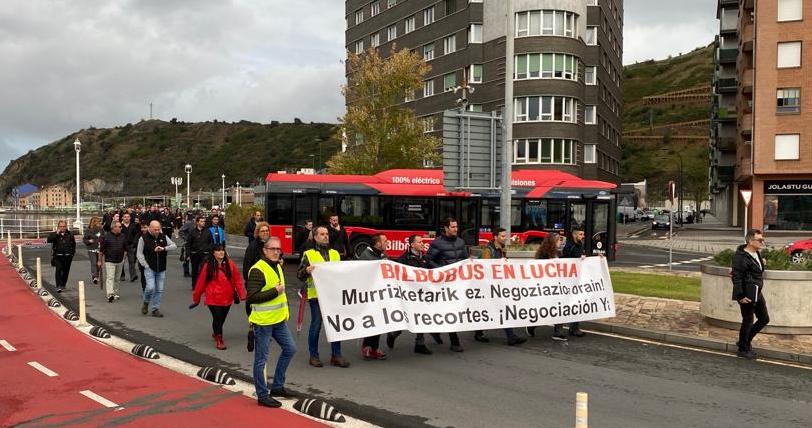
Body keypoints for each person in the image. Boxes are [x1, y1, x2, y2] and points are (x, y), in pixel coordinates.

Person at [247, 237, 297, 407]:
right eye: (273, 249)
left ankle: (277, 386)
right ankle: (262, 395)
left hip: (278, 320)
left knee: (290, 349)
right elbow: (251, 297)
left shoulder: (277, 266)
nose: (276, 252)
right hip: (263, 322)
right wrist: (274, 292)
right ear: (265, 250)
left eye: (278, 249)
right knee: (261, 360)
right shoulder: (257, 269)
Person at [298, 226, 350, 368]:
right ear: (315, 237)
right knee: (316, 325)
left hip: (333, 296)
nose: (325, 236)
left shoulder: (335, 254)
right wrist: (306, 270)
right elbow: (300, 275)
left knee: (336, 325)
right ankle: (313, 356)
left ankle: (336, 355)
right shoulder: (308, 254)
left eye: (326, 234)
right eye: (322, 234)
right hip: (317, 297)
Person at [191, 244, 247, 350]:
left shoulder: (230, 264)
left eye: (222, 250)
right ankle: (219, 339)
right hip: (213, 298)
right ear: (213, 253)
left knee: (221, 319)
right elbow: (201, 283)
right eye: (218, 250)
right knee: (217, 317)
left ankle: (216, 332)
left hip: (227, 298)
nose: (221, 252)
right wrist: (196, 298)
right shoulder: (208, 266)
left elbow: (237, 279)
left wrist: (242, 294)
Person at [478, 228, 527, 346]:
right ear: (495, 237)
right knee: (495, 308)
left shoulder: (501, 249)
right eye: (503, 236)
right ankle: (510, 336)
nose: (505, 238)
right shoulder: (487, 250)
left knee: (491, 309)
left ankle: (480, 333)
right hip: (488, 286)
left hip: (497, 285)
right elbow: (483, 267)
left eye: (505, 236)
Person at [425, 217, 468, 352]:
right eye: (453, 227)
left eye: (456, 226)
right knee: (448, 310)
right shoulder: (437, 243)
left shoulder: (461, 242)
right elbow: (428, 260)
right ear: (446, 228)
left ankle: (435, 330)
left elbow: (465, 260)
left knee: (446, 310)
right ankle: (454, 341)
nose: (456, 229)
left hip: (457, 283)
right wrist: (441, 272)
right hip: (442, 284)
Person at [388, 234, 433, 355]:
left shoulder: (425, 258)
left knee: (422, 317)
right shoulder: (404, 259)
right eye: (419, 242)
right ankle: (394, 334)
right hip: (408, 295)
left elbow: (434, 269)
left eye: (422, 242)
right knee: (406, 318)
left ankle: (420, 343)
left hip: (422, 294)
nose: (422, 244)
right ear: (412, 245)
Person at [731, 229, 769, 360]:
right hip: (747, 293)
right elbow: (736, 277)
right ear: (750, 241)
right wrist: (740, 296)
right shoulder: (740, 256)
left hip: (757, 291)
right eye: (759, 240)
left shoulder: (756, 253)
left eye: (762, 239)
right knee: (748, 320)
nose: (762, 242)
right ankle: (743, 349)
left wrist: (761, 263)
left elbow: (755, 270)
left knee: (764, 318)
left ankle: (744, 341)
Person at [137, 220, 177, 317]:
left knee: (159, 289)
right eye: (155, 229)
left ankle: (155, 309)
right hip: (149, 267)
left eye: (159, 229)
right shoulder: (143, 238)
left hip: (161, 267)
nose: (157, 231)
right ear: (149, 228)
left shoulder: (163, 236)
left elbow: (174, 246)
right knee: (150, 287)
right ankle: (146, 302)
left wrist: (164, 248)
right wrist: (145, 265)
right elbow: (139, 253)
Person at [528, 233, 563, 340]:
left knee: (560, 308)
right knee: (546, 310)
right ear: (552, 242)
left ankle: (558, 331)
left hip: (557, 285)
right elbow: (538, 269)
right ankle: (532, 325)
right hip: (546, 286)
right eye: (558, 240)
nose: (560, 242)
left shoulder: (559, 253)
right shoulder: (542, 254)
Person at [358, 234, 388, 360]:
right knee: (373, 322)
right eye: (385, 241)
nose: (387, 243)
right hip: (370, 295)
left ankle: (372, 348)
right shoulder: (366, 256)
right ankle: (368, 347)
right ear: (377, 244)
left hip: (380, 294)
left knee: (379, 321)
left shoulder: (381, 255)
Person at [243, 221, 271, 352]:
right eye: (263, 231)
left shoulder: (271, 246)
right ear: (257, 233)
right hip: (255, 283)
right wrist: (249, 283)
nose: (265, 233)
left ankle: (264, 331)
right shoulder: (253, 247)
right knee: (255, 309)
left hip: (269, 284)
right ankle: (255, 332)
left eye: (267, 231)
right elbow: (247, 266)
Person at [555, 227, 587, 339]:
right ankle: (558, 329)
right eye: (580, 234)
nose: (583, 236)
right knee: (563, 305)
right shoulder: (569, 246)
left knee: (577, 303)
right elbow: (566, 261)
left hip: (576, 279)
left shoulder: (580, 244)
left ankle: (574, 327)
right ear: (574, 235)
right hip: (567, 281)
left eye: (583, 234)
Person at [98, 221, 128, 303]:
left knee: (117, 278)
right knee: (110, 277)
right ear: (114, 227)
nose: (121, 228)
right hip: (109, 260)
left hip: (120, 260)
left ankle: (114, 292)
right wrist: (99, 260)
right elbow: (101, 250)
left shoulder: (123, 236)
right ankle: (110, 294)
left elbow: (126, 248)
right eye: (120, 227)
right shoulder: (106, 236)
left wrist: (123, 258)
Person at [47, 220, 76, 293]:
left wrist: (72, 254)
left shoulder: (70, 234)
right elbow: (49, 240)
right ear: (58, 227)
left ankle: (63, 284)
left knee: (66, 271)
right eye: (61, 226)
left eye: (64, 226)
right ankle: (58, 285)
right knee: (58, 270)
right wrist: (56, 234)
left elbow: (73, 244)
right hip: (58, 255)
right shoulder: (55, 234)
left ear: (66, 227)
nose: (62, 228)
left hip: (68, 255)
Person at [186, 216, 210, 289]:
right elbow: (188, 244)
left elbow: (211, 242)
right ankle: (194, 285)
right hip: (194, 253)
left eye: (204, 221)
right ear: (197, 222)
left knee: (203, 270)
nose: (203, 223)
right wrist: (188, 255)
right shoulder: (192, 232)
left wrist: (208, 250)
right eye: (201, 221)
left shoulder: (207, 231)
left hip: (204, 254)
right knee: (195, 270)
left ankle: (203, 285)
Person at [82, 217, 102, 285]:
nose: (99, 223)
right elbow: (84, 240)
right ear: (94, 222)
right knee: (94, 263)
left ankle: (97, 275)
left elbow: (104, 237)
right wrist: (89, 241)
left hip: (100, 249)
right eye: (98, 222)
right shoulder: (88, 230)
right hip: (91, 248)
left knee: (99, 264)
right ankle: (94, 277)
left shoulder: (101, 229)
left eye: (99, 222)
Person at [120, 212, 139, 282]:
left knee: (132, 261)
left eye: (128, 217)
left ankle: (133, 276)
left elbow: (137, 235)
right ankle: (122, 275)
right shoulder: (120, 226)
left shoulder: (133, 225)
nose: (126, 218)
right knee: (121, 261)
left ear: (130, 218)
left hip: (131, 245)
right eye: (125, 217)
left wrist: (134, 243)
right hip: (122, 246)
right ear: (122, 218)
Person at [136, 222, 149, 291]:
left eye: (145, 227)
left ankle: (150, 288)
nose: (143, 229)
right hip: (142, 258)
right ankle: (144, 289)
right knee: (143, 275)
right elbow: (135, 244)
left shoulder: (153, 235)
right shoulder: (139, 236)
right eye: (142, 228)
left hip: (151, 259)